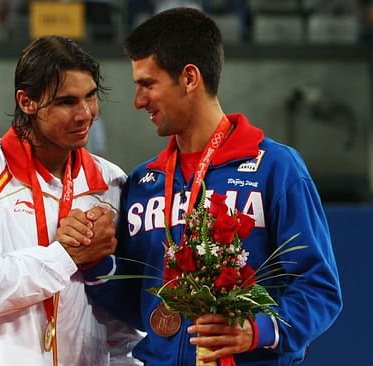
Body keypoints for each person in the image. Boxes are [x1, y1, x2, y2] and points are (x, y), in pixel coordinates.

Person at [70, 7, 343, 366]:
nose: (138, 101)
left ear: (189, 78)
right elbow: (138, 306)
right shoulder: (144, 182)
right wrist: (95, 265)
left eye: (147, 84)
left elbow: (319, 288)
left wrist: (257, 329)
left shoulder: (276, 169)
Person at [0, 35, 141, 366]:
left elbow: (120, 325)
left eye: (91, 97)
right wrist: (66, 255)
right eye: (67, 102)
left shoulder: (111, 184)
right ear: (27, 102)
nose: (85, 114)